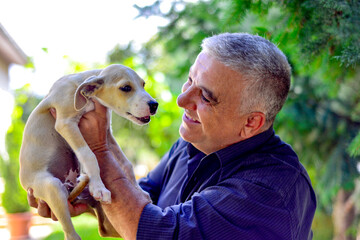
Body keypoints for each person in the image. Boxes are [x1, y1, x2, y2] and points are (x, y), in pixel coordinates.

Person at [28, 33, 316, 239]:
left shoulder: (272, 190)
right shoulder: (193, 143)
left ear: (252, 122)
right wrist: (82, 198)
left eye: (205, 96)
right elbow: (140, 200)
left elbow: (158, 231)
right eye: (190, 80)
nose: (181, 100)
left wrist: (99, 150)